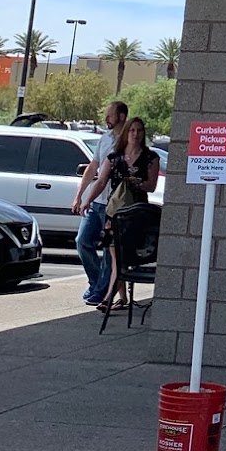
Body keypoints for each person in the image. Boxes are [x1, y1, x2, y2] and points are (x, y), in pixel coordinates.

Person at [84, 115, 161, 312]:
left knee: (125, 256)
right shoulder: (114, 157)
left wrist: (137, 182)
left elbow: (152, 186)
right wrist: (87, 200)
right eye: (132, 130)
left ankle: (113, 297)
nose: (135, 134)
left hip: (137, 213)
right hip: (115, 212)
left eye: (139, 131)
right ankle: (117, 297)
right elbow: (101, 181)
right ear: (126, 133)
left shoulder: (150, 158)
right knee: (116, 256)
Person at [72, 101, 127, 305]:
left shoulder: (127, 139)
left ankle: (102, 291)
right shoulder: (105, 138)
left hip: (115, 204)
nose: (106, 119)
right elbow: (93, 167)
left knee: (109, 251)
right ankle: (96, 282)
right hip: (97, 203)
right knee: (82, 241)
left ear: (121, 116)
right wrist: (80, 195)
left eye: (110, 115)